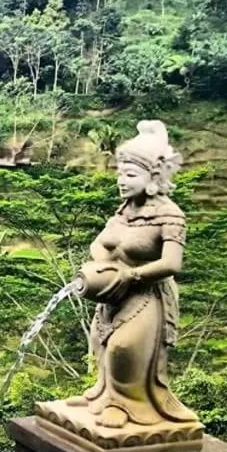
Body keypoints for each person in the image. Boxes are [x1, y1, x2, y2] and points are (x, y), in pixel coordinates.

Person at [68, 121, 199, 431]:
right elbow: (99, 242)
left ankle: (128, 405)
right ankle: (104, 395)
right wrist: (103, 264)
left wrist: (132, 274)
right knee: (104, 344)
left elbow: (172, 263)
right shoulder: (124, 211)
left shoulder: (170, 216)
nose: (121, 181)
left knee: (124, 347)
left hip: (145, 296)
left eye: (130, 175)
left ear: (153, 177)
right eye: (120, 174)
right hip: (114, 294)